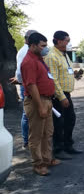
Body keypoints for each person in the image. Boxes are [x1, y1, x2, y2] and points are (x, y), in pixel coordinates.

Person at [20, 32, 61, 176]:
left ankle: (47, 159)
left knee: (47, 133)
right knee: (36, 135)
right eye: (43, 45)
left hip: (47, 100)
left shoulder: (39, 59)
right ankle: (38, 164)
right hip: (38, 101)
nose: (46, 48)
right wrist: (40, 106)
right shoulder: (29, 61)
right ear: (33, 45)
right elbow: (31, 86)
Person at [44, 31, 83, 160]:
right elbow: (53, 79)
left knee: (70, 120)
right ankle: (58, 149)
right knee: (59, 123)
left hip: (66, 94)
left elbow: (66, 71)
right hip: (58, 96)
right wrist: (61, 97)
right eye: (67, 40)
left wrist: (75, 75)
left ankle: (68, 145)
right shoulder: (52, 56)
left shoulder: (64, 54)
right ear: (59, 41)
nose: (69, 43)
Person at [9, 30, 37, 149]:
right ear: (28, 39)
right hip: (27, 85)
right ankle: (26, 140)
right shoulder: (24, 51)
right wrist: (21, 81)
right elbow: (20, 72)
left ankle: (31, 139)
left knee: (31, 113)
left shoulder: (28, 50)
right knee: (27, 114)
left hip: (29, 84)